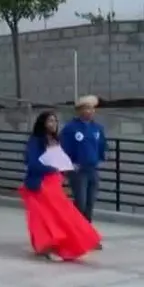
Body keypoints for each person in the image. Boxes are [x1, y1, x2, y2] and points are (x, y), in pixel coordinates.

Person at [20, 111, 101, 261]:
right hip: (40, 183)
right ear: (43, 123)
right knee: (45, 217)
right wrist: (53, 168)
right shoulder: (36, 140)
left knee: (61, 214)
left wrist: (66, 167)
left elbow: (60, 159)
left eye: (55, 121)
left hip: (54, 182)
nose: (53, 124)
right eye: (50, 121)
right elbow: (33, 163)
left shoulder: (55, 140)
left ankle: (68, 241)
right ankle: (46, 245)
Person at [60, 95, 107, 226]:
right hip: (78, 170)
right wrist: (69, 165)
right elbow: (63, 148)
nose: (90, 111)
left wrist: (101, 157)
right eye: (86, 108)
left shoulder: (97, 128)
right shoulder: (70, 128)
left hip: (92, 169)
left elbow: (102, 144)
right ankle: (77, 231)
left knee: (90, 203)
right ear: (79, 110)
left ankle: (88, 232)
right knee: (80, 202)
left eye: (92, 109)